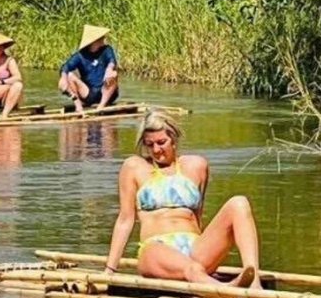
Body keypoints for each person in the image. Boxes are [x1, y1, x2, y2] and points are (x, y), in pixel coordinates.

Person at [103, 109, 261, 288]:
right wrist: (110, 269)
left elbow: (197, 217)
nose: (156, 150)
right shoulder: (134, 167)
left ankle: (254, 281)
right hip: (156, 249)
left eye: (162, 142)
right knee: (192, 269)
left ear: (174, 139)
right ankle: (226, 291)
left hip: (195, 248)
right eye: (150, 144)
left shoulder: (196, 166)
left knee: (239, 203)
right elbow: (125, 220)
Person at [59, 25, 119, 115]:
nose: (103, 39)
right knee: (69, 75)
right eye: (101, 38)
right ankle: (78, 107)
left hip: (106, 91)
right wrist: (63, 78)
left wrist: (109, 69)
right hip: (89, 92)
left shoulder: (107, 50)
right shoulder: (80, 55)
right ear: (93, 41)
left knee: (113, 74)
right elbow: (65, 67)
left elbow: (112, 61)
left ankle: (101, 106)